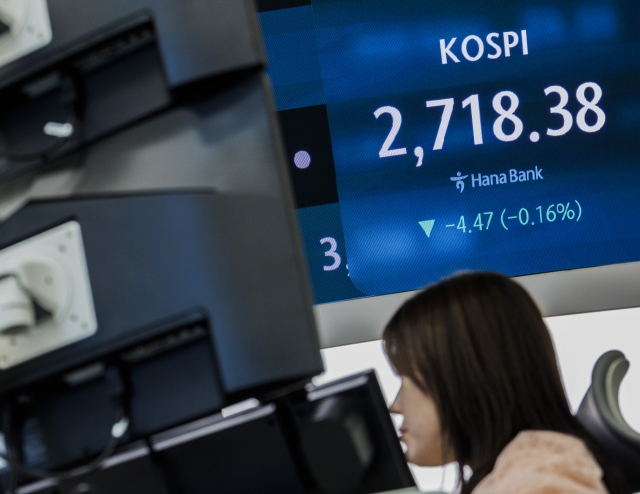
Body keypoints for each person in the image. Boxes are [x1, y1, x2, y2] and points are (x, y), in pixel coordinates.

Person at [384, 271, 629, 494]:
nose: (395, 405)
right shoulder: (527, 472)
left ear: (465, 377)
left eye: (405, 378)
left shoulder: (535, 479)